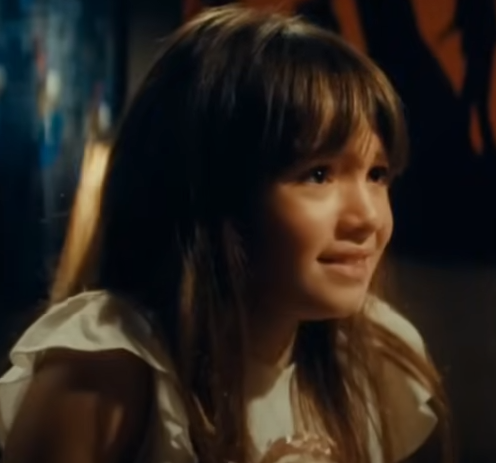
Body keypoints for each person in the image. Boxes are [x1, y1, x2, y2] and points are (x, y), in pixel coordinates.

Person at [0, 6, 451, 463]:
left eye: (377, 174)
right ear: (215, 190)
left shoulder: (374, 354)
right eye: (318, 174)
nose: (367, 218)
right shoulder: (109, 368)